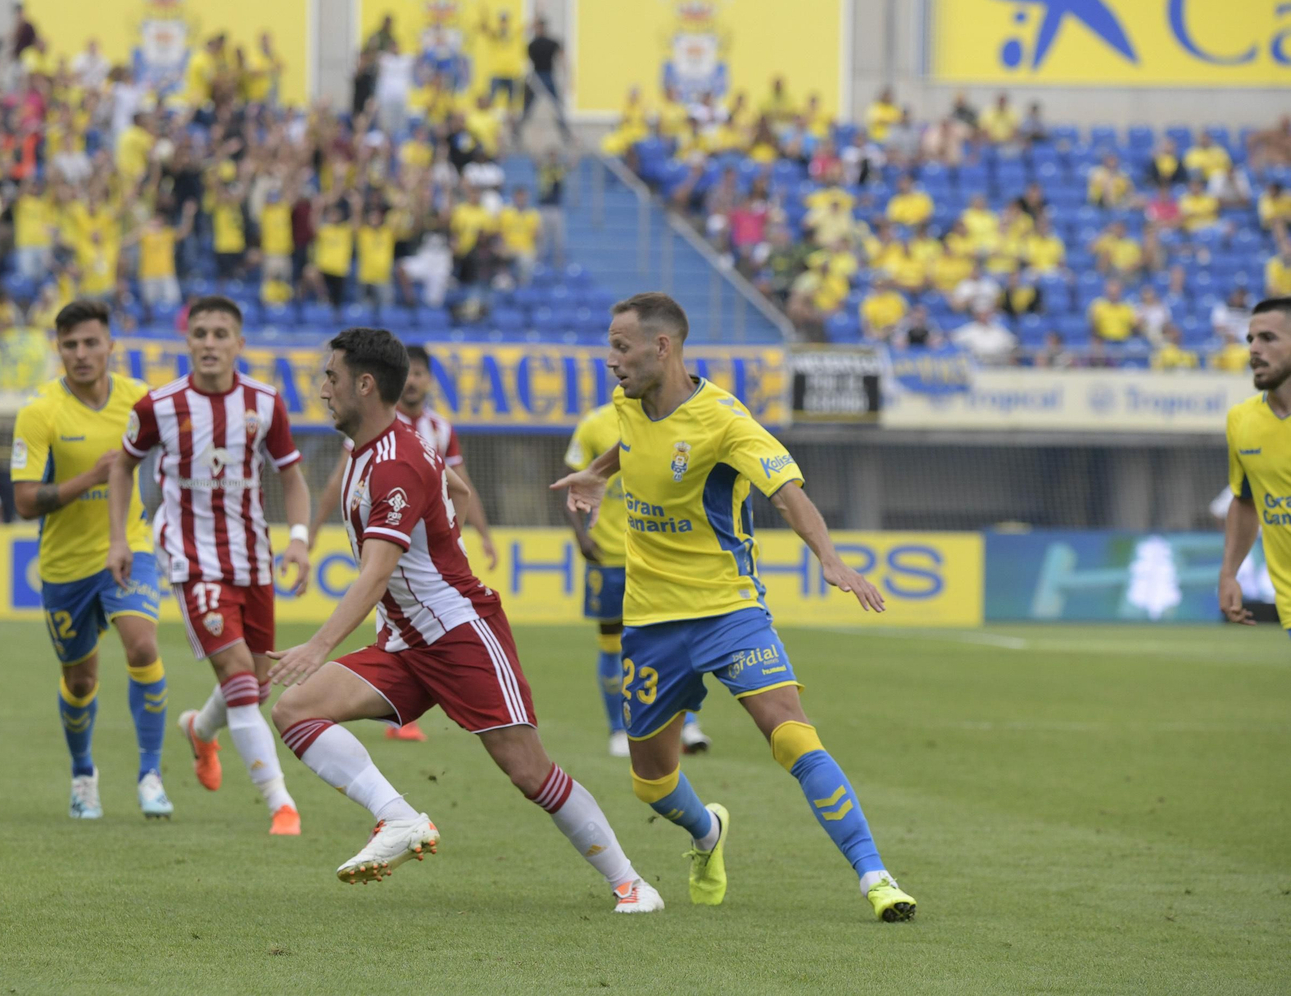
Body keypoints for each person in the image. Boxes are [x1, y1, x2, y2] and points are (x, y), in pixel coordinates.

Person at [266, 328, 661, 912]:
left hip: (459, 634)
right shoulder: (384, 448)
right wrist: (444, 498)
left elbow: (375, 574)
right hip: (406, 641)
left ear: (364, 384)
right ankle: (398, 817)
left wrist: (320, 645)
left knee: (529, 772)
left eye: (331, 376)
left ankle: (632, 885)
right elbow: (454, 486)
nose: (322, 389)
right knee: (295, 710)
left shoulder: (395, 461)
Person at [552, 293, 916, 921]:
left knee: (793, 733)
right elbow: (634, 445)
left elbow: (786, 491)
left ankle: (876, 876)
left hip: (728, 611)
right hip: (651, 622)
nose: (609, 360)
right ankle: (707, 833)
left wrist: (828, 557)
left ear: (661, 347)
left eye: (620, 346)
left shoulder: (725, 420)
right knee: (651, 781)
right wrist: (599, 473)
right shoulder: (625, 404)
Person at [109, 296, 311, 837]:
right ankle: (280, 804)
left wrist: (298, 540)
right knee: (242, 679)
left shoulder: (266, 403)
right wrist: (119, 538)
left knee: (257, 682)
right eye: (200, 333)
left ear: (239, 344)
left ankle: (201, 729)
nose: (210, 343)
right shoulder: (160, 405)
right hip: (194, 562)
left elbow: (291, 475)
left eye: (221, 333)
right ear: (188, 342)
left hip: (253, 559)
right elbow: (122, 466)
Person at [9, 299, 170, 821]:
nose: (81, 354)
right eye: (70, 345)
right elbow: (25, 500)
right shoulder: (40, 413)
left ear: (110, 346)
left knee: (142, 644)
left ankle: (150, 774)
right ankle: (83, 774)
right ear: (59, 349)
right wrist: (92, 478)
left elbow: (177, 456)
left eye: (90, 343)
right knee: (80, 680)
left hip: (129, 547)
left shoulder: (141, 400)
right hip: (65, 567)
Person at [309, 344, 497, 743]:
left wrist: (473, 536)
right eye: (409, 374)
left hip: (415, 564)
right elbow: (337, 482)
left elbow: (461, 489)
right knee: (395, 620)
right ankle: (400, 714)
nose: (414, 381)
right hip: (393, 552)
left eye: (421, 374)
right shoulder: (371, 432)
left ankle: (401, 708)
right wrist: (310, 530)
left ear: (429, 381)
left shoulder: (438, 430)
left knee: (403, 619)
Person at [564, 401, 712, 758]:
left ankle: (687, 725)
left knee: (676, 641)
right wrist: (581, 538)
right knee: (614, 645)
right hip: (610, 557)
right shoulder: (593, 425)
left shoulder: (668, 420)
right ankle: (619, 730)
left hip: (659, 555)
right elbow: (571, 483)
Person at [1220, 297, 1291, 634]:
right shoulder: (1242, 421)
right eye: (1251, 339)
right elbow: (1245, 501)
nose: (1254, 349)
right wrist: (1229, 572)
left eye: (1268, 338)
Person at [519, 17, 570, 142]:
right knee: (527, 108)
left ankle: (565, 133)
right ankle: (517, 132)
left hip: (547, 75)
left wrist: (566, 75)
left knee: (556, 106)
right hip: (536, 76)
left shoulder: (549, 43)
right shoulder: (532, 44)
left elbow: (562, 58)